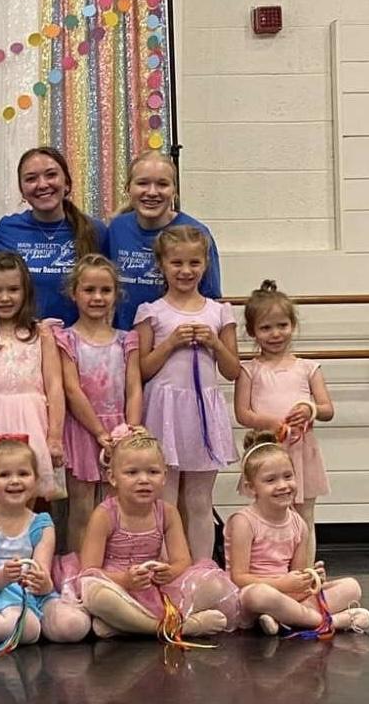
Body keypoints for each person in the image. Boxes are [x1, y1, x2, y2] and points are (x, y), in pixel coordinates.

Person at [135, 225, 239, 560]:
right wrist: (170, 344)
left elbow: (233, 370)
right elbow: (142, 369)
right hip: (164, 410)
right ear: (162, 265)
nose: (185, 271)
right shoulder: (151, 311)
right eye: (176, 263)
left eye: (194, 263)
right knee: (164, 498)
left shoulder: (218, 311)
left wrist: (215, 344)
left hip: (203, 413)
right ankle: (168, 565)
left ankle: (203, 566)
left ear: (205, 264)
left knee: (199, 499)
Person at [79, 425, 239, 639]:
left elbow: (182, 560)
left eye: (152, 472)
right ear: (113, 477)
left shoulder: (167, 512)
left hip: (154, 588)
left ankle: (127, 625)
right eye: (132, 473)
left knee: (215, 585)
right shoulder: (105, 514)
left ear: (164, 476)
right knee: (97, 595)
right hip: (117, 585)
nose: (143, 480)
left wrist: (170, 572)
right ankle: (173, 628)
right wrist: (125, 580)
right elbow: (89, 570)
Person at [226, 432, 369, 635]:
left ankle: (283, 618)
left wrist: (311, 578)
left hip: (288, 595)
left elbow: (298, 573)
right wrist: (281, 584)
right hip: (254, 594)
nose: (283, 485)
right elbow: (238, 578)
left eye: (288, 476)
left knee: (352, 587)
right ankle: (327, 622)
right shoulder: (243, 522)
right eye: (270, 480)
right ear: (251, 488)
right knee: (260, 595)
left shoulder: (298, 524)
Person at [0, 439, 91, 645]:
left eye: (23, 474)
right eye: (4, 475)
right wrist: (4, 576)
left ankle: (37, 621)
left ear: (35, 479)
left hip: (33, 594)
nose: (15, 481)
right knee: (26, 628)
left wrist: (44, 583)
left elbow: (42, 572)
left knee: (75, 625)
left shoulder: (41, 524)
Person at [234, 280, 334, 561]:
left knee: (305, 515)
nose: (275, 334)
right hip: (268, 450)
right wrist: (271, 423)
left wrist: (310, 409)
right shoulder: (249, 370)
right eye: (266, 328)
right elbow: (243, 413)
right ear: (252, 331)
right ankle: (270, 566)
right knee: (267, 513)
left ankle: (304, 571)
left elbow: (327, 409)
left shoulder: (308, 368)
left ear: (293, 325)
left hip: (302, 451)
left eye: (282, 325)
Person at [55, 254, 142, 551]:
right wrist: (98, 432)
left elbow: (134, 387)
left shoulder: (126, 339)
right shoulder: (66, 339)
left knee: (116, 506)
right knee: (82, 508)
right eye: (89, 290)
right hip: (82, 429)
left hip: (120, 429)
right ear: (74, 293)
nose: (97, 297)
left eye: (105, 290)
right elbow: (71, 389)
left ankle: (112, 562)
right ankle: (80, 567)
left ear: (116, 294)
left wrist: (129, 430)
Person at [0, 252, 65, 500]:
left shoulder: (41, 333)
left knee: (29, 491)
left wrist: (54, 436)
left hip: (33, 421)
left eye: (13, 289)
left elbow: (54, 386)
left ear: (25, 291)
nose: (5, 298)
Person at [0, 147, 108, 324]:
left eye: (51, 175)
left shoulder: (95, 231)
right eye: (31, 179)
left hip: (79, 338)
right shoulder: (5, 230)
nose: (42, 184)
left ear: (67, 183)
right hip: (23, 336)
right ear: (22, 190)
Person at [106, 151, 222, 331]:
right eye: (142, 183)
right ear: (128, 188)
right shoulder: (117, 228)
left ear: (174, 190)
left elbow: (210, 297)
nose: (152, 192)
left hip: (177, 340)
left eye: (162, 184)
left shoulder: (196, 233)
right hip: (126, 339)